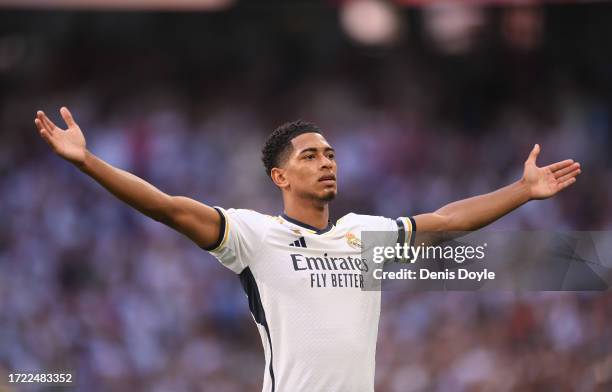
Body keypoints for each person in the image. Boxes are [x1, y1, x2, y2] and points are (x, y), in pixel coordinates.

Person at [34, 107, 581, 392]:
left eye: (331, 154)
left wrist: (524, 191)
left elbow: (444, 222)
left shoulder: (364, 233)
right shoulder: (252, 235)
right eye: (311, 155)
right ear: (280, 175)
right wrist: (89, 162)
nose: (327, 162)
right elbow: (168, 207)